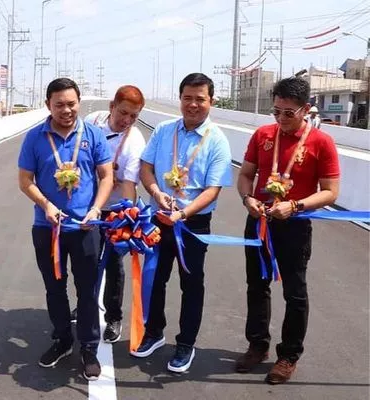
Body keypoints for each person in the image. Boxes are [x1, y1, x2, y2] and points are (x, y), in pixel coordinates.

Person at [236, 77, 340, 385]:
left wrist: (295, 206)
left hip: (294, 225)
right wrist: (248, 198)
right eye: (276, 111)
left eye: (288, 113)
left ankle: (289, 355)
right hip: (259, 220)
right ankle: (257, 344)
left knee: (295, 292)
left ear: (305, 109)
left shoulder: (321, 142)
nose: (281, 119)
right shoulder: (262, 135)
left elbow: (331, 191)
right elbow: (245, 175)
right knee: (256, 285)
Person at [134, 73, 232, 374]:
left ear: (211, 102)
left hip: (193, 225)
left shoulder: (217, 140)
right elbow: (146, 167)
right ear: (180, 99)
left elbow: (213, 190)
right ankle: (154, 332)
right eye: (188, 98)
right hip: (159, 217)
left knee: (191, 284)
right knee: (155, 278)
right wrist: (155, 192)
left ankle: (185, 344)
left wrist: (183, 214)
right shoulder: (164, 131)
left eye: (200, 99)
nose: (193, 104)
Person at [18, 78, 114, 381]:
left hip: (86, 228)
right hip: (47, 227)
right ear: (48, 105)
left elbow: (107, 176)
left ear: (79, 103)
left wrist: (96, 208)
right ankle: (61, 339)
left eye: (71, 103)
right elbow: (25, 181)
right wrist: (46, 205)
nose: (66, 109)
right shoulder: (35, 137)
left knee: (87, 290)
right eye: (59, 104)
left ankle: (88, 347)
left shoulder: (94, 135)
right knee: (54, 288)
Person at [70, 85, 146, 343]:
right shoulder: (92, 121)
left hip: (112, 210)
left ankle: (113, 316)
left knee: (114, 264)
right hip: (86, 207)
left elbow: (129, 185)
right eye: (123, 112)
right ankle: (84, 306)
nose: (127, 120)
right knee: (85, 261)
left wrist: (126, 219)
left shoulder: (134, 142)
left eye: (134, 116)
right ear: (112, 106)